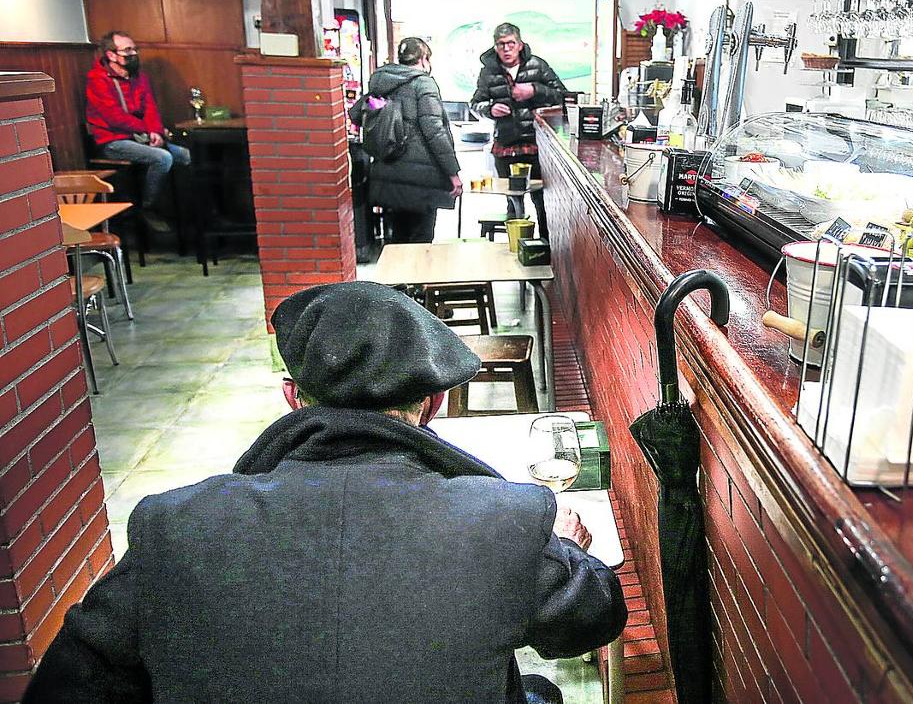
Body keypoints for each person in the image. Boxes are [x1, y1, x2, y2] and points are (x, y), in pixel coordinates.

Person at [24, 281, 627, 704]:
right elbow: (592, 618)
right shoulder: (505, 518)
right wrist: (557, 548)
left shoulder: (174, 525)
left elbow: (69, 686)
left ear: (292, 397)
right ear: (434, 404)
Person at [349, 37, 463, 244]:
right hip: (422, 178)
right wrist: (452, 172)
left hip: (387, 173)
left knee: (398, 241)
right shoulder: (424, 83)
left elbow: (356, 115)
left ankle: (396, 278)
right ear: (424, 58)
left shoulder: (381, 81)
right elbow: (434, 131)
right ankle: (417, 277)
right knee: (421, 241)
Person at [85, 30, 191, 231]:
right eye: (127, 50)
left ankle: (187, 212)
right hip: (113, 140)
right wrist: (148, 130)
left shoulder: (139, 77)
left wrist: (156, 132)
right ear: (111, 55)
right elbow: (114, 118)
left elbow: (150, 106)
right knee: (163, 158)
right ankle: (149, 207)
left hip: (140, 136)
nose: (133, 54)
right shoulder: (98, 79)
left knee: (186, 155)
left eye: (134, 49)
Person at [471, 23, 567, 240]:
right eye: (501, 45)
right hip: (504, 145)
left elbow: (563, 96)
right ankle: (516, 250)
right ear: (495, 47)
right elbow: (475, 104)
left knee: (542, 203)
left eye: (510, 44)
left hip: (536, 145)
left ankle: (546, 250)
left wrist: (534, 90)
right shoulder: (488, 71)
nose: (506, 49)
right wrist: (490, 109)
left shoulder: (538, 65)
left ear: (519, 44)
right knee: (513, 205)